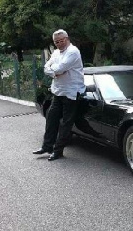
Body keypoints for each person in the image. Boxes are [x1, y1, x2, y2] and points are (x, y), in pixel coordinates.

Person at [33, 29, 86, 161]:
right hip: (58, 91)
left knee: (65, 123)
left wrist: (55, 70)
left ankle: (58, 151)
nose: (59, 43)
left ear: (67, 39)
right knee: (51, 118)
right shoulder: (56, 52)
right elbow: (46, 67)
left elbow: (60, 68)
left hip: (71, 92)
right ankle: (47, 146)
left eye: (61, 40)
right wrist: (54, 73)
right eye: (56, 42)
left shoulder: (73, 52)